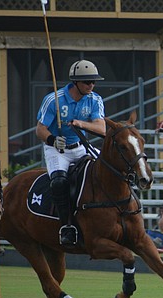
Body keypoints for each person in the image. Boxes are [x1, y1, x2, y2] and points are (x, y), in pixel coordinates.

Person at [35, 59, 106, 246]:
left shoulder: (95, 99)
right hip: (57, 149)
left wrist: (80, 123)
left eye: (93, 82)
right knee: (59, 182)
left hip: (80, 146)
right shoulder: (54, 100)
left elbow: (102, 129)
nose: (91, 85)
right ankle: (66, 226)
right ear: (75, 82)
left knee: (110, 168)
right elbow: (40, 129)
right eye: (87, 82)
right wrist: (52, 139)